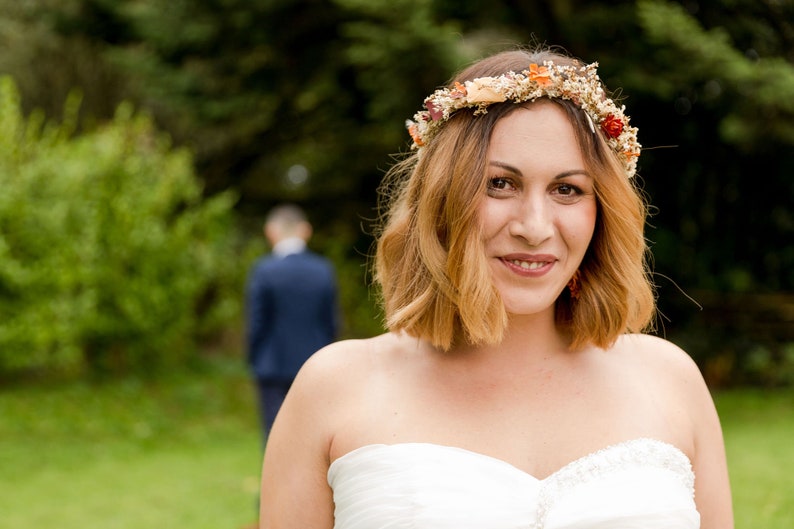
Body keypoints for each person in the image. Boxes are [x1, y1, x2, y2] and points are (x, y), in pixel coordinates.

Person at [259, 47, 733, 529]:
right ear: (443, 198)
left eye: (567, 189)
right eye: (501, 184)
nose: (534, 226)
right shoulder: (334, 390)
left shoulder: (671, 381)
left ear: (602, 212)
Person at [245, 203, 339, 444]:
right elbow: (330, 323)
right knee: (311, 437)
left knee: (275, 436)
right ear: (306, 230)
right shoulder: (323, 270)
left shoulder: (264, 270)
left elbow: (257, 323)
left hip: (272, 365)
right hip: (314, 365)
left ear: (270, 231)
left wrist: (254, 358)